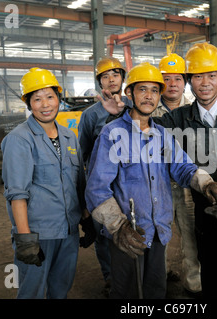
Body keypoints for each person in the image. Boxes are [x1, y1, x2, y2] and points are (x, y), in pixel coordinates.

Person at [101, 43, 217, 299]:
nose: (205, 83)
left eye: (212, 75)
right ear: (190, 81)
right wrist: (114, 115)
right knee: (207, 266)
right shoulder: (178, 118)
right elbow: (140, 125)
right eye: (198, 76)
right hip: (205, 207)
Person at [85, 62, 217, 299]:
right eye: (142, 89)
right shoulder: (111, 134)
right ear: (129, 93)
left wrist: (206, 183)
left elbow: (183, 167)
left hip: (158, 232)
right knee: (128, 294)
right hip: (127, 234)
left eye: (154, 91)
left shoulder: (162, 135)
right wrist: (118, 227)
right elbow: (97, 190)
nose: (149, 96)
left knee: (155, 291)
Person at [1, 67, 92, 298]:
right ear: (29, 103)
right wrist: (25, 239)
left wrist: (86, 219)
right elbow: (17, 193)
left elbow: (78, 183)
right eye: (37, 99)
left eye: (50, 97)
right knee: (31, 292)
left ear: (58, 99)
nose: (45, 104)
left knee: (61, 289)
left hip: (68, 231)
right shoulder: (19, 140)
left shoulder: (69, 136)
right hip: (38, 233)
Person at [78, 56, 133, 293]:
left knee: (132, 226)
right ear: (99, 82)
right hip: (103, 182)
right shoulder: (91, 115)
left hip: (131, 179)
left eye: (115, 75)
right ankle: (110, 276)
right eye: (105, 76)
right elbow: (83, 153)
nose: (111, 80)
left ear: (122, 78)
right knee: (104, 232)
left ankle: (135, 273)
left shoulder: (134, 105)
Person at [153, 53, 201, 295]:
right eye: (166, 79)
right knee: (158, 235)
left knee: (191, 236)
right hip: (158, 184)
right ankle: (158, 283)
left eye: (177, 79)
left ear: (185, 82)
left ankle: (194, 284)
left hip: (187, 185)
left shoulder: (196, 109)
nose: (172, 84)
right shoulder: (148, 108)